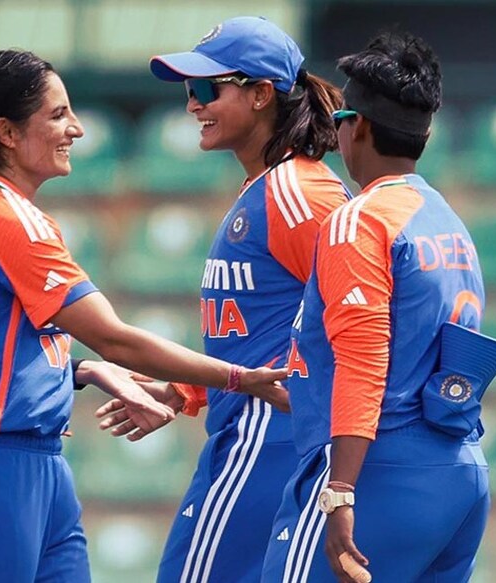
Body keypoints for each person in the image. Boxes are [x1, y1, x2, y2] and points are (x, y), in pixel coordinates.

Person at [0, 48, 289, 583]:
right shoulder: (4, 218)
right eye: (58, 114)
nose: (77, 129)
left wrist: (82, 371)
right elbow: (115, 338)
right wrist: (238, 378)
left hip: (38, 466)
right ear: (8, 133)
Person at [93, 16, 351, 582]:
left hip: (270, 438)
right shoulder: (271, 188)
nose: (193, 104)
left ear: (261, 95)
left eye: (208, 89)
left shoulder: (295, 192)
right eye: (190, 90)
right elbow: (257, 325)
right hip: (253, 431)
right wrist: (184, 389)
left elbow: (368, 307)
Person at [260, 31, 496, 582]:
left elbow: (364, 360)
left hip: (381, 473)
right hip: (459, 473)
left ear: (359, 126)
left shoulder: (361, 217)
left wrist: (340, 491)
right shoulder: (447, 219)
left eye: (342, 118)